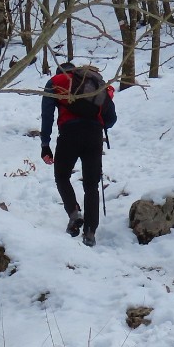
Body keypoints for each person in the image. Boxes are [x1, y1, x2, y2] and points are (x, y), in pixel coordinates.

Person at [41, 62, 116, 247]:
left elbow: (47, 114)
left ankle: (74, 214)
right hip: (94, 135)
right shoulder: (95, 85)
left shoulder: (56, 82)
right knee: (91, 185)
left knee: (62, 176)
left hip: (69, 133)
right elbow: (111, 118)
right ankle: (90, 233)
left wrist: (45, 144)